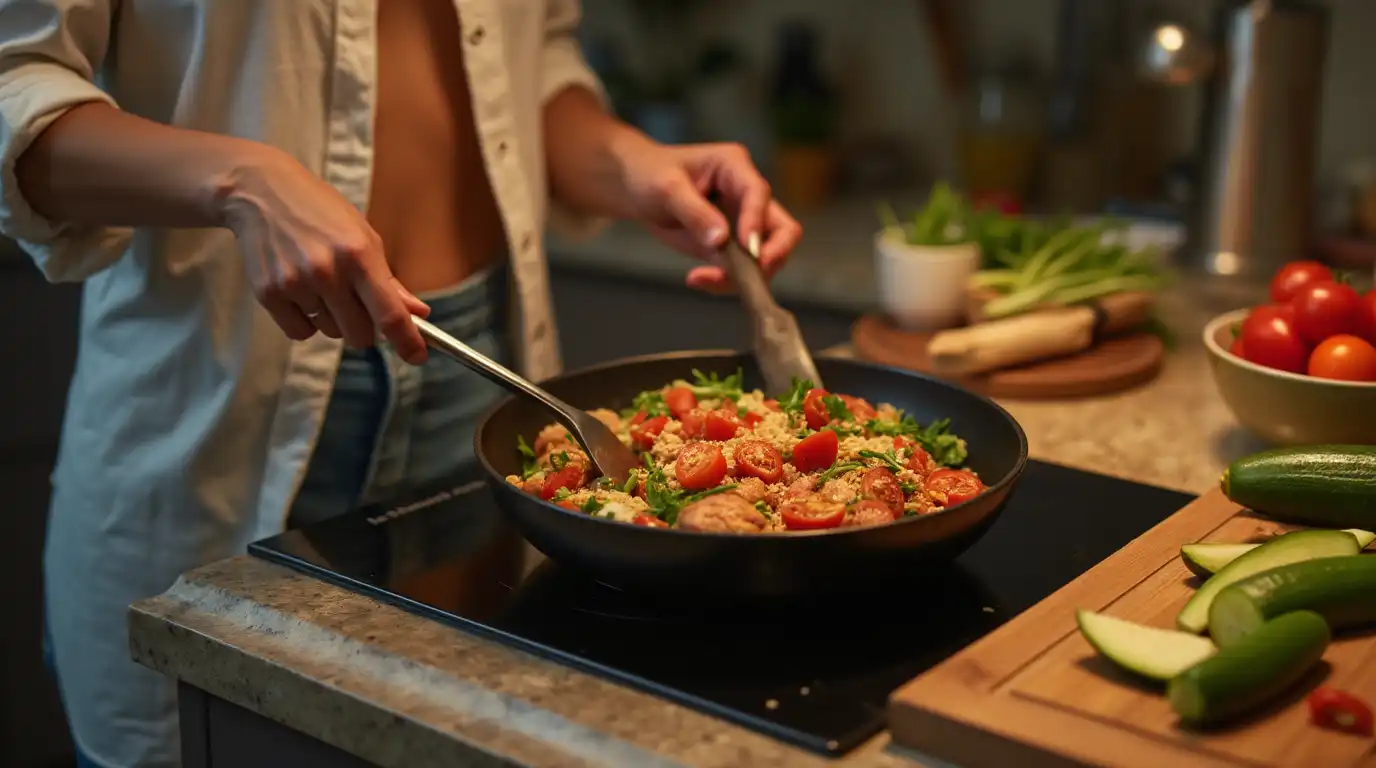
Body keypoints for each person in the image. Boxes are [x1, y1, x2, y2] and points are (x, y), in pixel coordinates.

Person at [0, 1, 802, 766]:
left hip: (492, 389)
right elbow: (14, 84)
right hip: (224, 393)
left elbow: (533, 59)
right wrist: (241, 179)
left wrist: (632, 164)